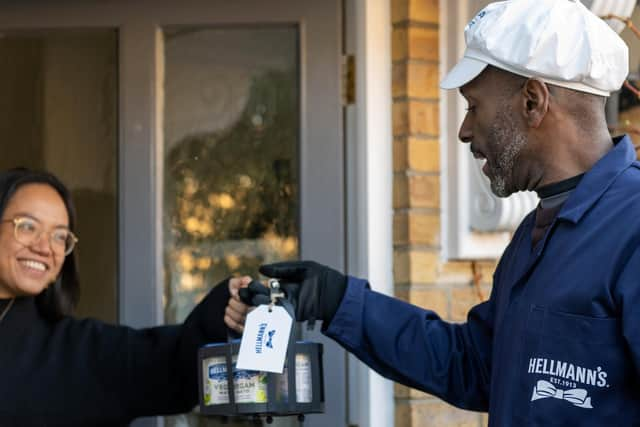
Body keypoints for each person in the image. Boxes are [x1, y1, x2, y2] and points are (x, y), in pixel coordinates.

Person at [240, 0, 640, 425]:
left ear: (532, 102)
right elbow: (475, 366)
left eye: (473, 105)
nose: (465, 130)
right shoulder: (537, 232)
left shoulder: (631, 227)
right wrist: (338, 300)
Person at [0, 168, 251, 426]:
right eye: (28, 226)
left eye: (59, 236)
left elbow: (171, 365)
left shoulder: (84, 354)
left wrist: (224, 306)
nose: (44, 247)